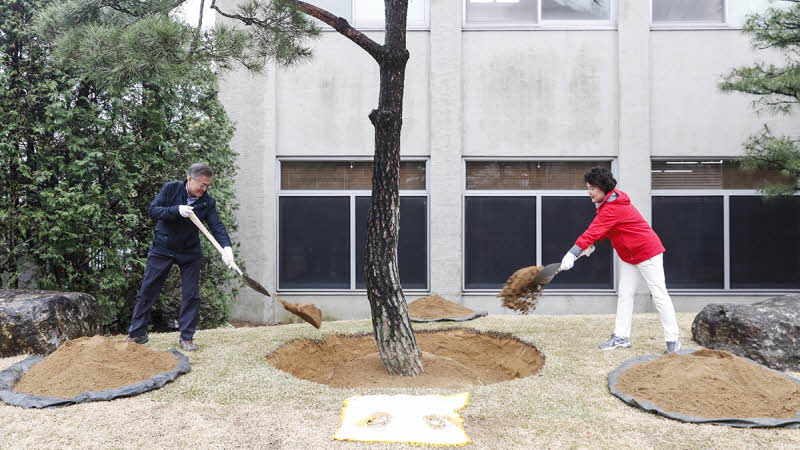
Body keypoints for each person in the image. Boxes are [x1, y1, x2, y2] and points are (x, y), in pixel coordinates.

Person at [559, 167, 681, 354]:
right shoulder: (608, 204)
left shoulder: (613, 207)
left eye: (592, 188)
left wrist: (572, 254)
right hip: (628, 255)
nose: (589, 192)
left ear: (602, 187)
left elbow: (591, 232)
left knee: (659, 296)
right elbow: (602, 232)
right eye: (588, 188)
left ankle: (673, 341)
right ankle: (621, 337)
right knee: (625, 295)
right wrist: (585, 250)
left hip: (647, 252)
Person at [126, 163, 235, 351]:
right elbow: (154, 210)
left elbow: (216, 226)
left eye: (208, 185)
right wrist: (176, 210)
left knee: (191, 295)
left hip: (189, 252)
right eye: (202, 185)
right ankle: (137, 334)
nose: (205, 189)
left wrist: (226, 248)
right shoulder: (171, 189)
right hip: (163, 248)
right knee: (148, 290)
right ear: (190, 179)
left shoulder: (207, 202)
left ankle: (187, 337)